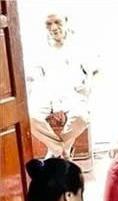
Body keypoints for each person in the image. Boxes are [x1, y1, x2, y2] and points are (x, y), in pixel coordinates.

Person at [27, 13, 97, 159]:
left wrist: (87, 89)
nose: (53, 27)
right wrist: (53, 101)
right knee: (29, 117)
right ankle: (61, 150)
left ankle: (57, 151)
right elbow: (36, 77)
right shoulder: (38, 48)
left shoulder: (79, 46)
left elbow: (92, 72)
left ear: (65, 21)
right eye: (48, 24)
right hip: (46, 92)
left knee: (82, 117)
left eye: (57, 22)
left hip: (71, 93)